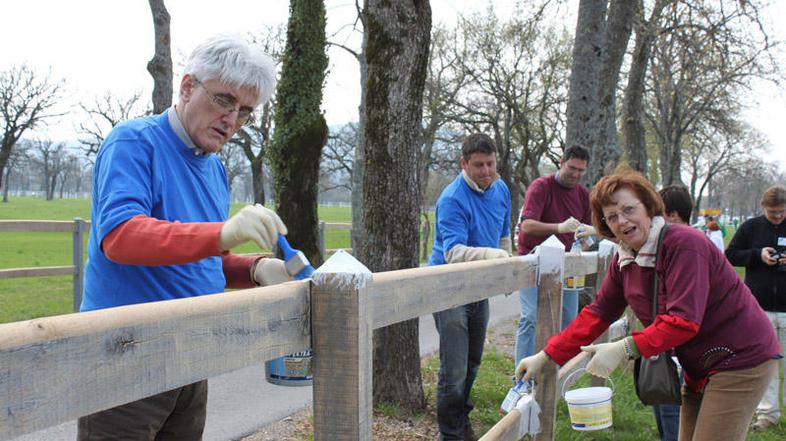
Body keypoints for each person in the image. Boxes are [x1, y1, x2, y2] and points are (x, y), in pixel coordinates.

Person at [78, 35, 292, 440]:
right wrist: (223, 232)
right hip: (127, 354)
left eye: (245, 111)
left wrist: (256, 269)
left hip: (190, 353)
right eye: (224, 100)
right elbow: (122, 237)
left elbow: (201, 255)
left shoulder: (213, 169)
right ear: (188, 86)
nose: (232, 119)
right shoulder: (134, 142)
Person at [516, 169, 780, 441]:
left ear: (649, 207)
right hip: (699, 365)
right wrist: (547, 355)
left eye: (629, 209)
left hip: (741, 357)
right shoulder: (626, 259)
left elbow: (683, 321)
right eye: (612, 217)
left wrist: (625, 347)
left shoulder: (684, 244)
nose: (622, 221)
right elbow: (599, 312)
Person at [429, 133, 511, 441]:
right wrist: (493, 255)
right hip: (448, 288)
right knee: (454, 370)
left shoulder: (501, 189)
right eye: (479, 165)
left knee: (473, 362)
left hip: (479, 287)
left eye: (490, 163)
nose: (486, 171)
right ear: (464, 163)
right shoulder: (452, 198)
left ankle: (461, 423)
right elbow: (453, 252)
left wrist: (506, 271)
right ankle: (450, 435)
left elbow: (503, 235)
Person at [514, 144, 592, 365]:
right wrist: (559, 227)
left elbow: (587, 235)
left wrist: (583, 244)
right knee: (530, 318)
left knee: (569, 319)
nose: (575, 174)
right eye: (572, 168)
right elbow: (527, 225)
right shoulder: (541, 187)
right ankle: (521, 376)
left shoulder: (583, 196)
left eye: (580, 170)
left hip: (565, 265)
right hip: (533, 261)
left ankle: (558, 373)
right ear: (561, 162)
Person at [726, 185, 786, 432]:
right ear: (763, 208)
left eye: (782, 211)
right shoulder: (750, 228)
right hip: (760, 308)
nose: (778, 216)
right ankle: (767, 414)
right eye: (773, 212)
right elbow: (730, 254)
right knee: (766, 363)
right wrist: (757, 255)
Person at [653, 184, 694, 441]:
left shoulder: (686, 248)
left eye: (658, 215)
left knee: (672, 407)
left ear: (673, 215)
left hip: (681, 343)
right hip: (665, 340)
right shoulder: (668, 245)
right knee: (662, 400)